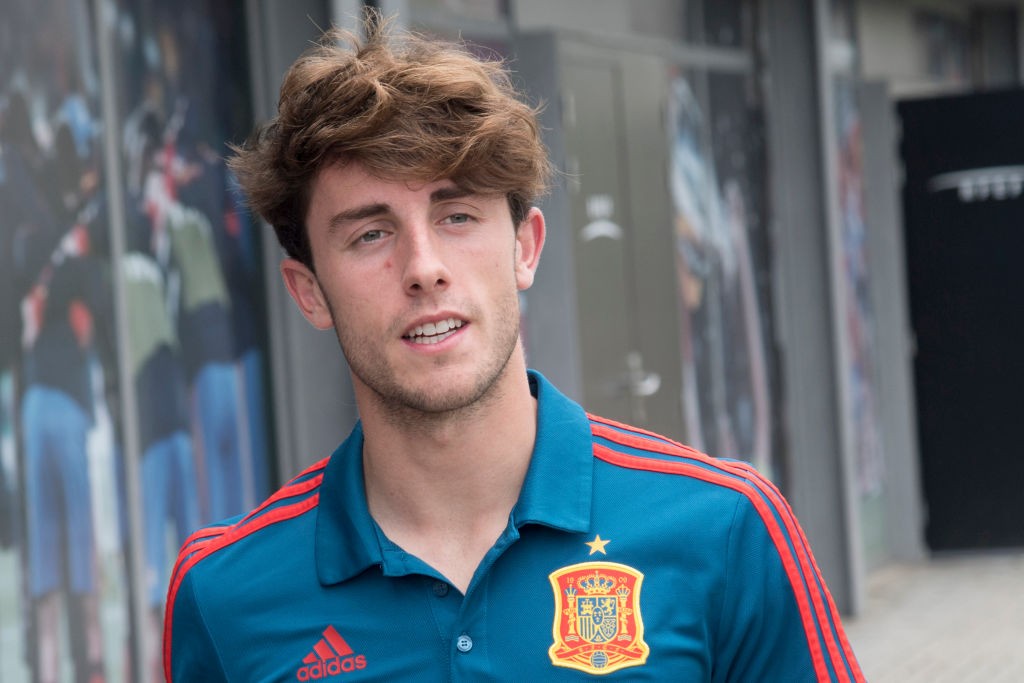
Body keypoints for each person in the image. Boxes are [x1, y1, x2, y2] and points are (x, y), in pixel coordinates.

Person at [164, 14, 864, 682]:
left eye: (457, 215)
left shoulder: (725, 529)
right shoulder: (226, 595)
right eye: (370, 233)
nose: (423, 266)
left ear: (525, 247)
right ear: (308, 290)